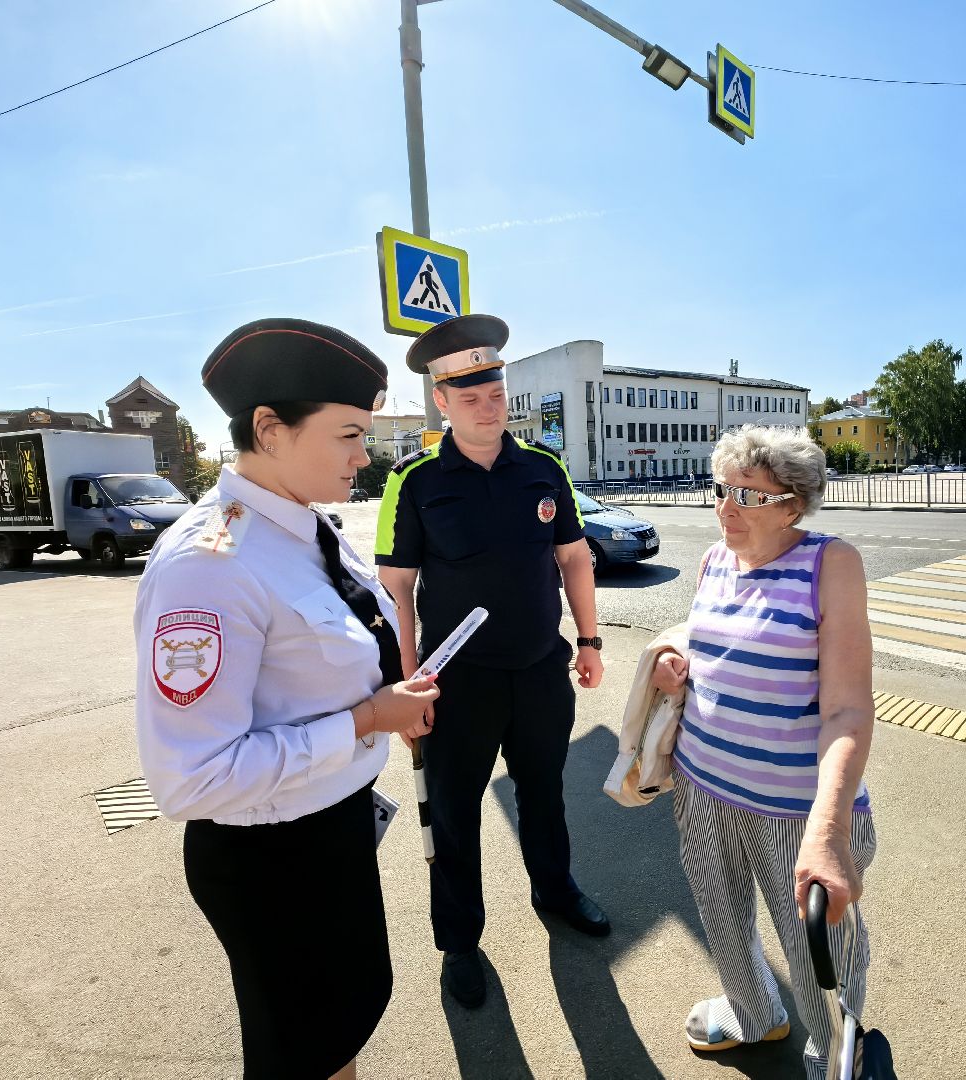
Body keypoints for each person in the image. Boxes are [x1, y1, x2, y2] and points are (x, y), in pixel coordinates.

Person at [134, 318, 440, 1080]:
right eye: (347, 435)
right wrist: (368, 720)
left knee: (338, 1027)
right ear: (269, 429)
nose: (364, 456)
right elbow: (192, 778)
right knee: (301, 1047)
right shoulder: (209, 566)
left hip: (327, 831)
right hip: (271, 860)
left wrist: (386, 701)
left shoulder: (306, 526)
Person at [375, 313, 608, 1010]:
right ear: (441, 401)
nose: (487, 406)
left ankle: (556, 890)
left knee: (544, 793)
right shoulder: (412, 481)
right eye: (469, 396)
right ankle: (460, 943)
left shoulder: (543, 469)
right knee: (452, 815)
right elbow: (397, 590)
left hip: (540, 670)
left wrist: (590, 643)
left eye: (496, 393)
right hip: (457, 685)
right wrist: (409, 685)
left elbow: (573, 558)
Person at [650, 424, 877, 1080]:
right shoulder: (715, 559)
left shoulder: (831, 564)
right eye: (721, 490)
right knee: (720, 919)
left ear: (792, 505)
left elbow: (848, 709)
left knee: (818, 952)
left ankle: (837, 1056)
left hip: (794, 810)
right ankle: (754, 1012)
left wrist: (829, 830)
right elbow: (718, 644)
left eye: (748, 496)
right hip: (702, 786)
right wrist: (678, 661)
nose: (726, 509)